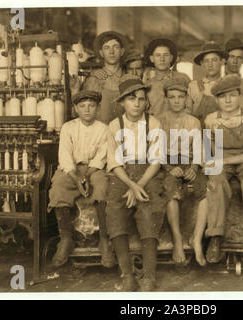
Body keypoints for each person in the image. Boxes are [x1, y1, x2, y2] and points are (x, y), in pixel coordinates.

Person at [105, 74, 166, 291]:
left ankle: (149, 276)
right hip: (122, 175)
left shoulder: (154, 123)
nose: (137, 104)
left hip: (148, 173)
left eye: (141, 99)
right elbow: (113, 162)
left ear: (146, 101)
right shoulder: (114, 125)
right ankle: (127, 275)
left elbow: (157, 161)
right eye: (131, 99)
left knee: (149, 211)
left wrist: (138, 184)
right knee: (115, 210)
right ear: (122, 102)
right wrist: (131, 186)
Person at [204, 74, 243, 263]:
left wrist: (223, 161)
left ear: (240, 95)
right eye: (223, 97)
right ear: (216, 100)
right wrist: (216, 162)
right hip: (221, 159)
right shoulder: (210, 120)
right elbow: (209, 152)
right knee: (215, 181)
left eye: (232, 95)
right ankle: (216, 236)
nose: (228, 100)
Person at [48, 90, 114, 268]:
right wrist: (75, 176)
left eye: (92, 106)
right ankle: (66, 239)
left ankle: (104, 240)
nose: (87, 110)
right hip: (71, 170)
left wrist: (87, 174)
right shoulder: (68, 127)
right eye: (82, 106)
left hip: (94, 168)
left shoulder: (104, 129)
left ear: (98, 109)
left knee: (102, 186)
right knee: (58, 188)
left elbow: (102, 156)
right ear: (76, 109)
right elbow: (65, 155)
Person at [160, 75, 208, 267]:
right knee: (171, 190)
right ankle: (178, 240)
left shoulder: (193, 121)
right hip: (168, 164)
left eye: (180, 96)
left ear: (187, 98)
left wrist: (194, 167)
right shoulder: (159, 121)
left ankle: (196, 238)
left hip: (189, 162)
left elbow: (198, 150)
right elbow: (156, 151)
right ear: (166, 99)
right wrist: (170, 168)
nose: (177, 101)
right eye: (172, 97)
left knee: (206, 190)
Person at [188, 41, 243, 127]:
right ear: (202, 63)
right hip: (201, 135)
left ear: (222, 61)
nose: (210, 65)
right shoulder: (193, 86)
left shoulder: (230, 85)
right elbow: (186, 114)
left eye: (214, 60)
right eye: (206, 61)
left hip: (225, 134)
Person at [82, 31, 126, 124]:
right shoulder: (94, 80)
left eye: (115, 47)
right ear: (101, 53)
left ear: (122, 51)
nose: (111, 52)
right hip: (101, 132)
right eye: (107, 48)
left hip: (126, 133)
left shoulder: (129, 79)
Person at [143, 38, 191, 118]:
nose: (162, 59)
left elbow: (191, 105)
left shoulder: (183, 78)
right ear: (151, 58)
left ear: (171, 58)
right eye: (158, 55)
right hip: (157, 128)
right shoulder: (147, 85)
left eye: (166, 55)